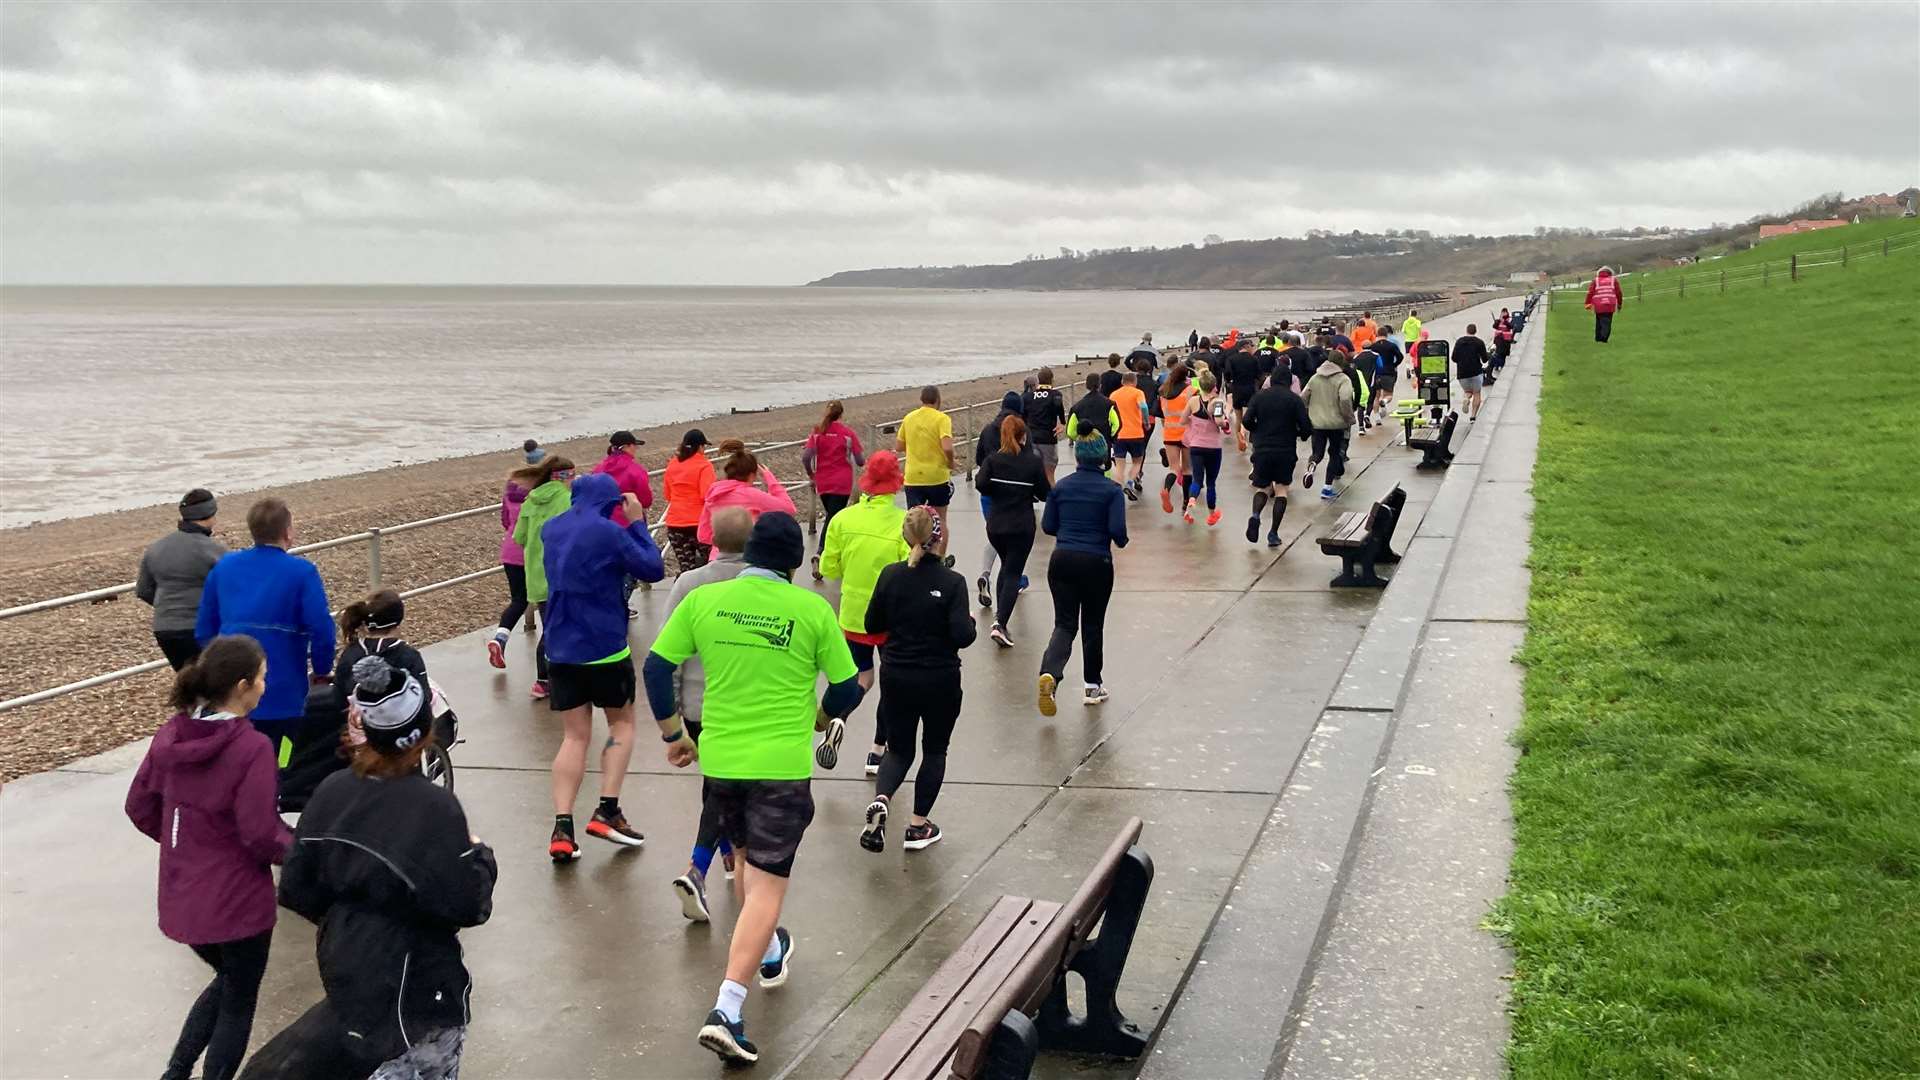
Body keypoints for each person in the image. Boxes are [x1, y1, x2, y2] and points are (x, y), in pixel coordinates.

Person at [642, 512, 864, 1066]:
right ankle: (727, 1010)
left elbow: (655, 667)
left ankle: (768, 951)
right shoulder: (811, 609)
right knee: (767, 887)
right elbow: (848, 683)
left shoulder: (703, 602)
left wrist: (674, 733)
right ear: (792, 563)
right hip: (780, 767)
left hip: (721, 760)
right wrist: (822, 716)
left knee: (743, 863)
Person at [245, 654, 496, 1079]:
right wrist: (480, 857)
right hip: (423, 990)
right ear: (421, 735)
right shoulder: (436, 809)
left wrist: (349, 916)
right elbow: (469, 906)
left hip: (349, 968)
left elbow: (296, 887)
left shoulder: (331, 792)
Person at [126, 635, 289, 1080]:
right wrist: (303, 852)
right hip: (238, 904)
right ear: (241, 686)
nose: (264, 687)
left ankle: (176, 1071)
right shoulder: (251, 747)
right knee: (239, 1000)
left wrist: (186, 843)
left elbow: (139, 806)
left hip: (185, 897)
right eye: (261, 679)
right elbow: (261, 833)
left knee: (228, 982)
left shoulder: (170, 736)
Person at [541, 472, 666, 862]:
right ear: (610, 502)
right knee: (622, 725)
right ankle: (607, 809)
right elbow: (652, 569)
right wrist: (637, 523)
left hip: (561, 646)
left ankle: (562, 827)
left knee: (574, 737)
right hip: (605, 646)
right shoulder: (611, 533)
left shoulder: (551, 529)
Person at [860, 508, 976, 853]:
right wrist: (967, 621)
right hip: (940, 677)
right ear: (938, 537)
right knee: (935, 749)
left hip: (896, 673)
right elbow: (962, 636)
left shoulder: (890, 575)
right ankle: (917, 826)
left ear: (905, 536)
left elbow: (871, 624)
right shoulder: (952, 582)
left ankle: (882, 797)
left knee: (899, 749)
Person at [664, 506, 753, 923]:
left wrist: (674, 713)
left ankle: (727, 858)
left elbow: (669, 653)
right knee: (726, 785)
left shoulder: (688, 584)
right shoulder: (759, 584)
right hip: (743, 701)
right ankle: (700, 867)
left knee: (718, 781)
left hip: (698, 705)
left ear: (711, 540)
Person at [195, 498, 334, 759]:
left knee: (235, 759)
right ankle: (279, 784)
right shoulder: (301, 572)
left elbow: (204, 630)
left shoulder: (225, 567)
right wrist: (322, 670)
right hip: (285, 691)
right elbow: (321, 628)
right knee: (284, 756)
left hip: (231, 693)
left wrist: (218, 671)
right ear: (288, 532)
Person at [818, 451, 909, 775]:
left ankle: (840, 717)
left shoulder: (843, 519)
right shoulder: (902, 522)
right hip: (892, 615)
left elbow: (829, 566)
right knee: (891, 682)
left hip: (854, 612)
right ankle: (876, 752)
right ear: (895, 485)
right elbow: (909, 569)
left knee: (862, 677)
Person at [1038, 433, 1127, 715]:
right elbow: (1119, 534)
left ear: (1078, 458)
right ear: (1103, 458)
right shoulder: (1111, 491)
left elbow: (1049, 526)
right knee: (1092, 624)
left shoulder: (1060, 488)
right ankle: (1092, 685)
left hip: (1062, 559)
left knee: (1064, 624)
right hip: (1096, 562)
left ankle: (1050, 673)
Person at [974, 415, 1050, 647]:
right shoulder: (1032, 462)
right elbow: (1045, 493)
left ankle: (1000, 616)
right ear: (1022, 436)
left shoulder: (994, 460)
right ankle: (1000, 623)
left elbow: (980, 484)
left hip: (996, 525)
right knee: (1013, 573)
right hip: (1021, 525)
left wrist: (999, 489)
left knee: (1006, 568)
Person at [139, 488, 227, 670]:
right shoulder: (214, 551)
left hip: (164, 629)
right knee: (212, 687)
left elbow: (144, 590)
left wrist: (168, 606)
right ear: (211, 515)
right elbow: (231, 591)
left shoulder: (156, 548)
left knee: (188, 683)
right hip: (200, 629)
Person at [510, 454, 574, 700]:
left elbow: (519, 537)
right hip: (562, 575)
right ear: (564, 477)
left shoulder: (531, 501)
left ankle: (544, 680)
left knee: (550, 628)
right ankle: (551, 680)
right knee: (559, 630)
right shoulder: (567, 500)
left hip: (536, 576)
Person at [1239, 366, 1314, 546]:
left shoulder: (1259, 397)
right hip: (1285, 449)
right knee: (1281, 490)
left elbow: (1247, 420)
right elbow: (1305, 427)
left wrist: (1258, 431)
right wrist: (1300, 434)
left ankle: (1256, 515)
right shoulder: (1294, 400)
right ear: (1289, 382)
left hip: (1262, 448)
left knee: (1262, 488)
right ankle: (1273, 533)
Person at [972, 390, 1027, 600]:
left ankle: (986, 574)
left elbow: (978, 459)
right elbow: (1028, 459)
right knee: (1012, 540)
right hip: (1012, 494)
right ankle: (1015, 578)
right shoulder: (1020, 430)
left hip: (988, 493)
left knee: (996, 535)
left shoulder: (987, 430)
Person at [803, 402, 866, 580]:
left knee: (833, 516)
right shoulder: (847, 433)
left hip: (823, 481)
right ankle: (821, 553)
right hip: (842, 482)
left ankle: (833, 554)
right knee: (833, 518)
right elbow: (860, 460)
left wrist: (811, 473)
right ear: (841, 414)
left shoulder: (818, 432)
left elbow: (807, 456)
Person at [698, 439, 798, 547]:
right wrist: (769, 478)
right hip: (747, 555)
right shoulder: (752, 495)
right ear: (752, 475)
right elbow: (789, 509)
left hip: (718, 556)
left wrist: (723, 546)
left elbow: (703, 535)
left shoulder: (713, 494)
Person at [897, 385, 955, 561]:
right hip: (937, 476)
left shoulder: (909, 418)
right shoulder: (942, 419)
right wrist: (950, 461)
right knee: (940, 518)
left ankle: (914, 555)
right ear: (937, 400)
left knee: (915, 520)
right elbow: (947, 446)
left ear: (921, 400)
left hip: (914, 476)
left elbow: (899, 446)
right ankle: (940, 557)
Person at [489, 464, 534, 670]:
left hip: (510, 551)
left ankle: (500, 638)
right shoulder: (536, 496)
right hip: (532, 552)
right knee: (544, 598)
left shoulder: (509, 494)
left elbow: (505, 520)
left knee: (518, 599)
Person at [1301, 346, 1357, 500]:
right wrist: (1349, 418)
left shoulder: (1315, 378)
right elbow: (1345, 399)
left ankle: (1312, 466)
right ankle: (1326, 488)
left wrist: (1309, 412)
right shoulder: (1343, 379)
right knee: (1334, 454)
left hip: (1317, 423)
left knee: (1317, 452)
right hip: (1336, 424)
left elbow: (1303, 397)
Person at [662, 428, 717, 574]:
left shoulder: (673, 464)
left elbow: (668, 495)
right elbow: (706, 495)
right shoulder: (704, 465)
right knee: (710, 565)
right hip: (698, 524)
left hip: (675, 523)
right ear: (700, 447)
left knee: (686, 568)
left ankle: (686, 594)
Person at [1182, 370, 1231, 526]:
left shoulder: (1193, 401)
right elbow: (1218, 421)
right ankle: (1211, 514)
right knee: (1210, 482)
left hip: (1196, 445)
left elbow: (1183, 420)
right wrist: (1226, 419)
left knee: (1196, 479)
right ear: (1214, 386)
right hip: (1213, 447)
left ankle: (1190, 505)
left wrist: (1194, 424)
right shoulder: (1217, 402)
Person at [594, 430, 655, 527]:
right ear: (627, 447)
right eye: (635, 445)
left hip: (602, 521)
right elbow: (646, 501)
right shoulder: (636, 470)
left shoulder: (598, 469)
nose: (636, 448)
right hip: (628, 523)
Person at [1158, 362, 1194, 515]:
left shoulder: (1163, 391)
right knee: (1187, 470)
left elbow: (1162, 413)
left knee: (1174, 468)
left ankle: (1166, 489)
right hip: (1186, 433)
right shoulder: (1190, 391)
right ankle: (1186, 502)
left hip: (1169, 433)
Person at [1108, 371, 1150, 498]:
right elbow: (1143, 406)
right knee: (1137, 462)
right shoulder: (1138, 393)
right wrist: (1146, 421)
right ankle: (1130, 482)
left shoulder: (1114, 394)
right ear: (1134, 381)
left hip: (1119, 434)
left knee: (1120, 464)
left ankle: (1117, 489)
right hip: (1135, 433)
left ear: (1122, 382)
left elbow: (1110, 413)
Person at [1022, 367, 1067, 483]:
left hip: (1031, 439)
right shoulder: (1055, 395)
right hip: (1048, 439)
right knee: (1049, 476)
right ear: (1052, 380)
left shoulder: (1027, 397)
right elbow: (1059, 408)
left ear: (1038, 380)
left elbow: (1023, 416)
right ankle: (1051, 499)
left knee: (1030, 475)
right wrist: (1062, 423)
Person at [1454, 324, 1491, 422]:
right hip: (1476, 372)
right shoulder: (1479, 342)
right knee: (1477, 393)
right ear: (1475, 331)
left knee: (1468, 391)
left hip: (1462, 374)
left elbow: (1454, 358)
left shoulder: (1459, 342)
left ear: (1467, 331)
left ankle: (1466, 398)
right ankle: (1473, 416)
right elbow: (1484, 360)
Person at [1223, 338, 1263, 427]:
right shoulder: (1254, 359)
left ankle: (1239, 439)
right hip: (1251, 390)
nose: (1252, 348)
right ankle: (1249, 437)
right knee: (1251, 417)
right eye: (1251, 346)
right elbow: (1259, 375)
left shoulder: (1231, 359)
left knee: (1238, 418)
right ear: (1246, 346)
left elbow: (1227, 374)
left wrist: (1229, 383)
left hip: (1237, 389)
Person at [1368, 331, 1405, 422]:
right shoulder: (1392, 346)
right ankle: (1384, 402)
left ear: (1377, 335)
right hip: (1389, 372)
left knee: (1376, 396)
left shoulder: (1373, 346)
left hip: (1377, 374)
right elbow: (1400, 356)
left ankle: (1377, 418)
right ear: (1386, 335)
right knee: (1388, 395)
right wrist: (1394, 364)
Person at [1585, 266, 1624, 342]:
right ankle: (1603, 339)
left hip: (1598, 304)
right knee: (1607, 321)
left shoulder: (1595, 280)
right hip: (1610, 304)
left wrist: (1587, 303)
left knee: (1599, 321)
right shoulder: (1614, 280)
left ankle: (1598, 338)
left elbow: (1590, 292)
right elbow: (1619, 293)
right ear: (1610, 273)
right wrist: (1619, 304)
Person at [1492, 308, 1515, 373]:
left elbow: (1511, 326)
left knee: (1504, 354)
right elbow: (1494, 326)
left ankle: (1501, 365)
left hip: (1506, 340)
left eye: (1505, 314)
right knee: (1498, 353)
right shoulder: (1498, 321)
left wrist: (1505, 321)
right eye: (1502, 313)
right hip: (1499, 340)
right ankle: (1497, 365)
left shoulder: (1508, 322)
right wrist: (1498, 321)